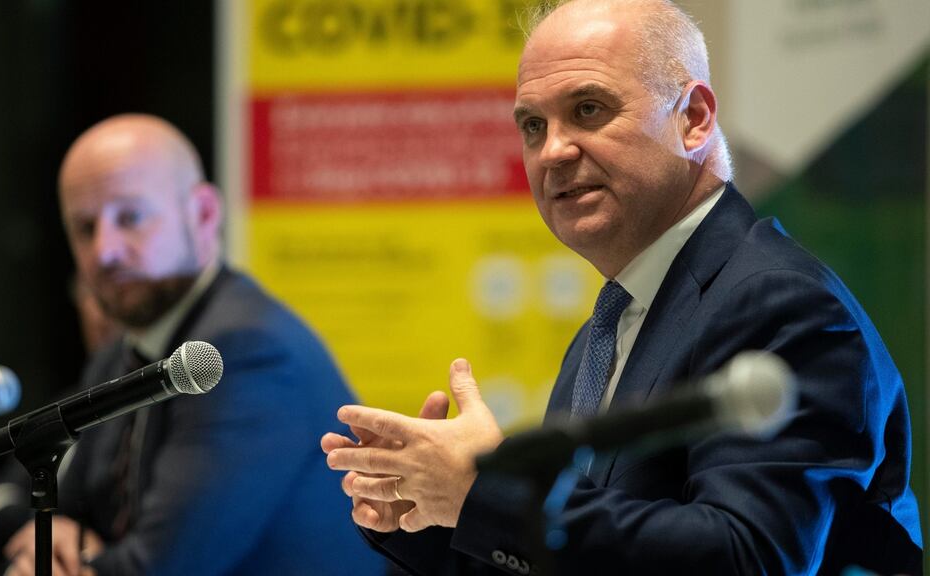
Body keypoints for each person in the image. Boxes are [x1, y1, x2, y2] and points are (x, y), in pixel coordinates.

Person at [321, 0, 923, 574]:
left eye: (588, 109)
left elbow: (747, 557)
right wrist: (428, 517)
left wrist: (486, 496)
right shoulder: (604, 331)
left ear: (694, 120)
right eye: (533, 125)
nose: (552, 151)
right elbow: (573, 558)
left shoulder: (780, 304)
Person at [0, 114, 386, 576]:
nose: (105, 251)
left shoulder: (245, 353)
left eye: (131, 217)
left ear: (203, 214)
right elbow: (25, 494)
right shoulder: (122, 352)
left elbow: (160, 568)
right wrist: (31, 530)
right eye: (85, 228)